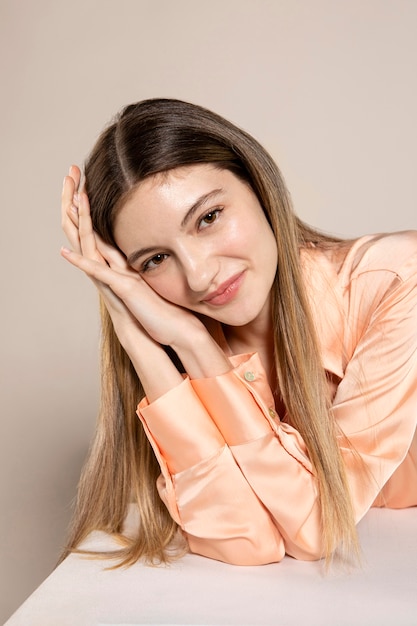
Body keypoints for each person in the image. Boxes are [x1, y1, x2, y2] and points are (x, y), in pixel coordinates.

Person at [60, 98, 417, 568]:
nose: (199, 275)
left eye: (208, 218)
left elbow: (319, 530)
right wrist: (142, 333)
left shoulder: (396, 280)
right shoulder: (192, 336)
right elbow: (245, 542)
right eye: (155, 260)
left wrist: (194, 347)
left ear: (257, 184)